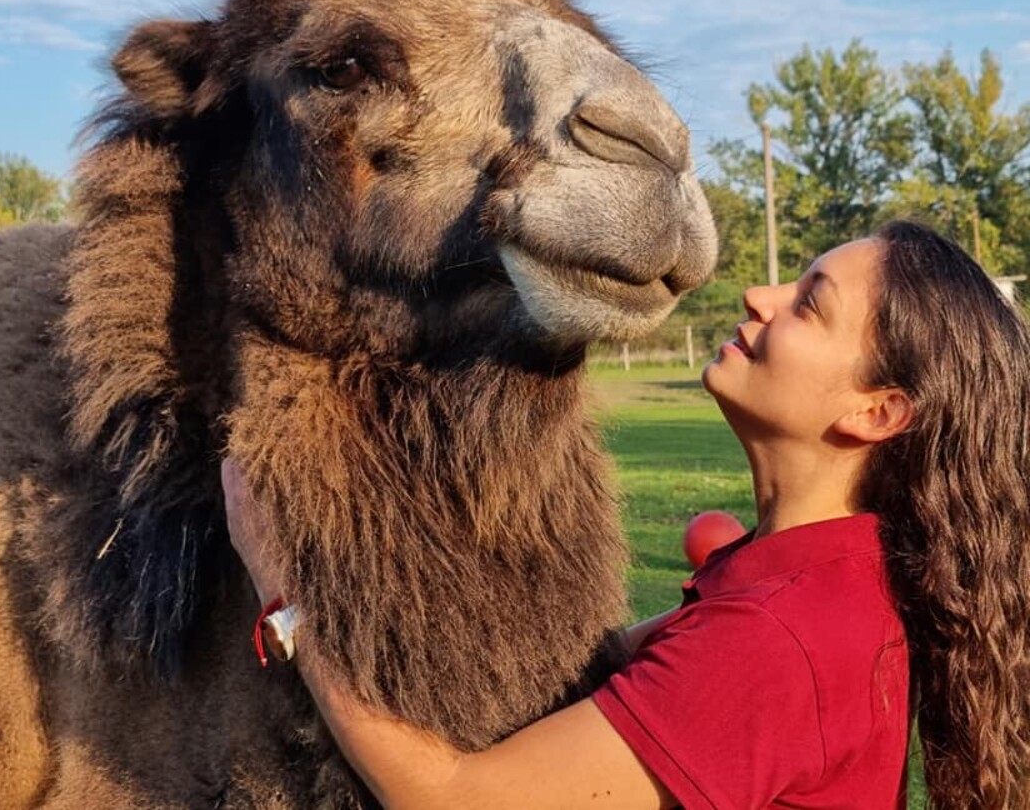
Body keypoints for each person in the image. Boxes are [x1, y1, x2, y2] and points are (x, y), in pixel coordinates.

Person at [223, 221, 1030, 809]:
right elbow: (608, 670)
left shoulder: (782, 637)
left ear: (878, 412)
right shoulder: (822, 577)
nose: (760, 295)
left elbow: (455, 800)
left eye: (809, 304)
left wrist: (285, 584)